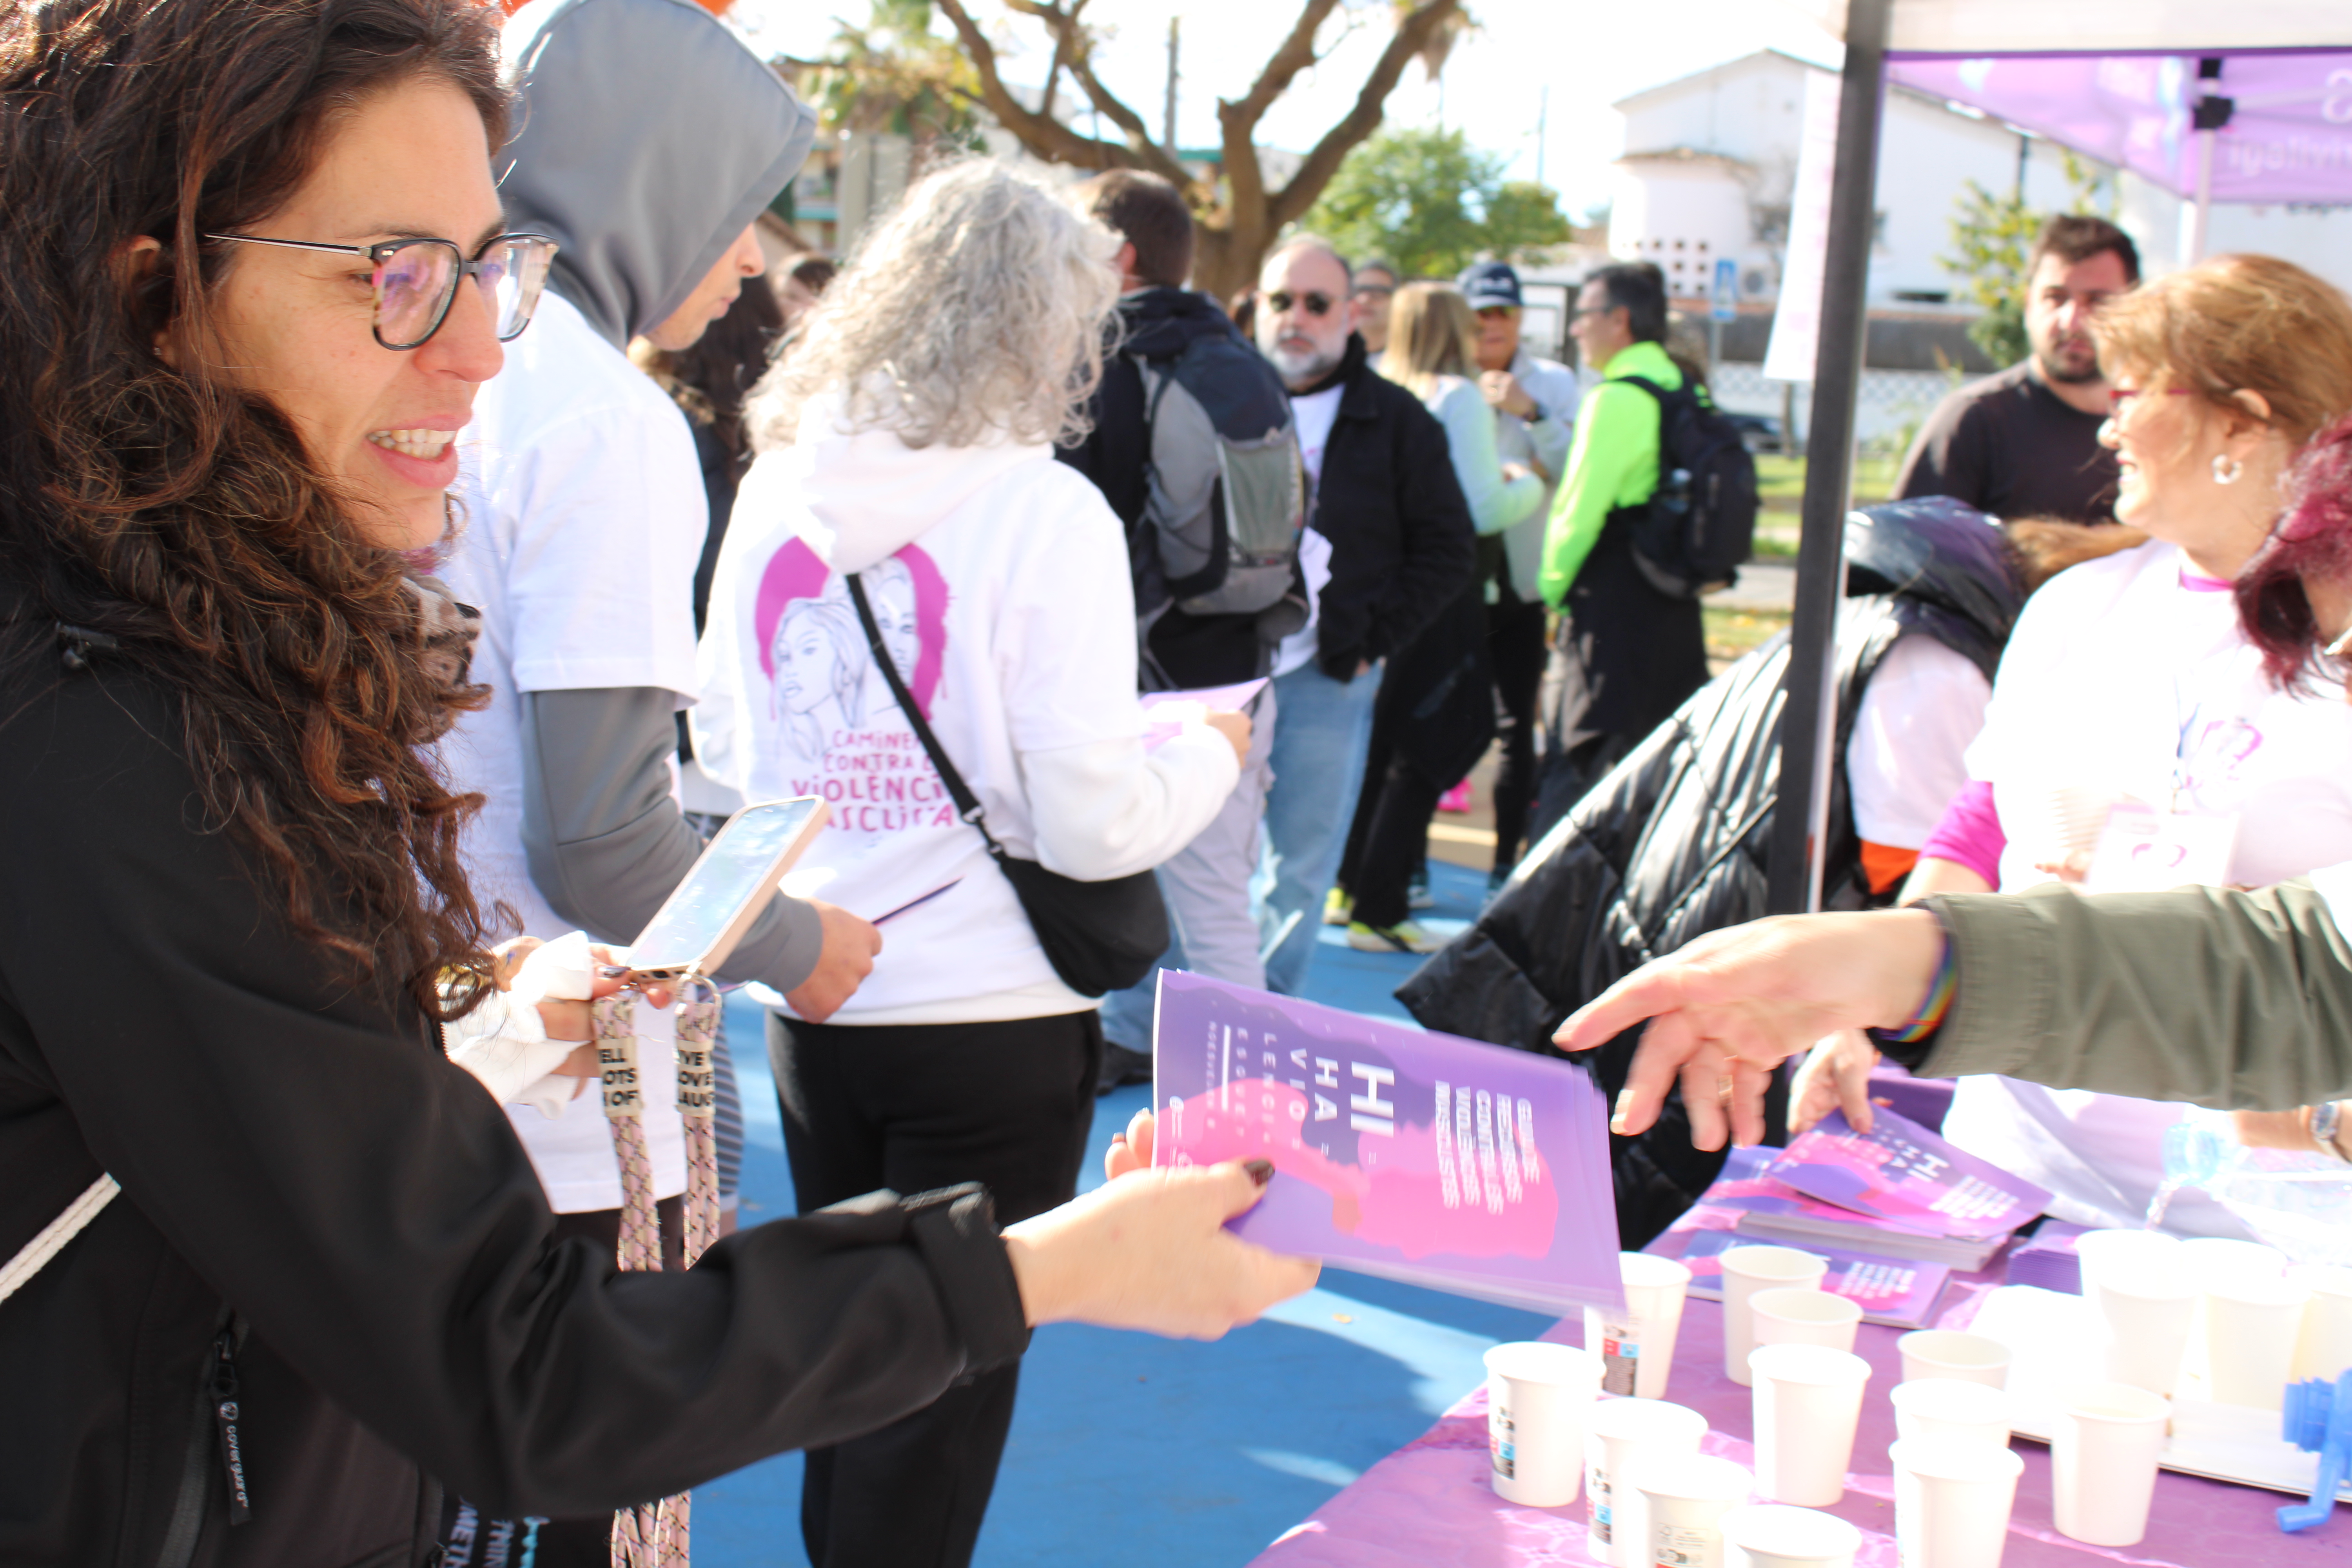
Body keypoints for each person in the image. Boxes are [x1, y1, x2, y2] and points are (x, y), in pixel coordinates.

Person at [0, 1, 1314, 1560]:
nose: (486, 348)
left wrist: (448, 1019)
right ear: (159, 292)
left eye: (494, 263)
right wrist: (1050, 1270)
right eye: (394, 275)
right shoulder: (129, 726)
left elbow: (175, 1058)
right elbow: (527, 1371)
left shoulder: (188, 640)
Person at [692, 160, 1257, 1568]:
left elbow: (715, 741)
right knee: (946, 1384)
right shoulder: (1041, 511)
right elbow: (1086, 823)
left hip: (814, 990)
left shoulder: (776, 486)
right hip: (993, 1007)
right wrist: (1208, 760)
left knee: (849, 1354)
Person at [435, 5, 891, 1452]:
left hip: (401, 1046)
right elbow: (600, 840)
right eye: (736, 206)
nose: (750, 254)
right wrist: (791, 940)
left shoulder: (434, 349)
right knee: (594, 1485)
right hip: (565, 1092)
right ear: (650, 176)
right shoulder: (597, 418)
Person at [1557, 411, 2352, 1154]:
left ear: (2245, 421)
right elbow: (2286, 970)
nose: (2336, 666)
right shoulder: (2090, 603)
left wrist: (2320, 1122)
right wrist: (1893, 967)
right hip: (2041, 1144)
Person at [1806, 254, 2352, 1240]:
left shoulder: (2339, 635)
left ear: (2241, 420)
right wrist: (1879, 999)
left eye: (2133, 395)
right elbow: (1979, 827)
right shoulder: (2075, 606)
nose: (2105, 427)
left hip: (2263, 1232)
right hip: (2014, 1179)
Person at [1402, 497, 2026, 1244]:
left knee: (1621, 1147)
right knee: (1667, 1175)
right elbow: (1908, 855)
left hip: (1689, 905)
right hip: (1739, 933)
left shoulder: (1865, 623)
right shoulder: (1935, 661)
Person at [1054, 170, 1296, 1089]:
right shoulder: (1235, 356)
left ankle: (1265, 1100)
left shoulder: (1110, 363)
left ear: (1117, 256)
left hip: (1147, 671)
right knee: (1211, 894)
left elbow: (1083, 525)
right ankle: (1141, 1036)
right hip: (1241, 663)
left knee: (1194, 903)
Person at [1249, 238, 1477, 995]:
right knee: (1180, 853)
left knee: (1301, 866)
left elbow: (1448, 550)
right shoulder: (1219, 398)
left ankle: (1263, 1014)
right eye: (1283, 300)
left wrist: (1372, 642)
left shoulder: (1400, 420)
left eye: (1317, 303)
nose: (1297, 318)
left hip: (1327, 672)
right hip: (1213, 675)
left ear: (1351, 316)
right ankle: (1148, 1023)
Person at [1331, 282, 1542, 953]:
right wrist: (1528, 481)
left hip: (1380, 589)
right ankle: (1381, 905)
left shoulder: (1379, 388)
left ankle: (1350, 886)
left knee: (1382, 744)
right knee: (1436, 741)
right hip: (1442, 592)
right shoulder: (1457, 398)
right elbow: (1479, 511)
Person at [1532, 261, 1712, 837]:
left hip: (1612, 605)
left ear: (1620, 320)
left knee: (1575, 764)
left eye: (1584, 315)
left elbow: (1578, 514)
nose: (1577, 330)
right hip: (1672, 603)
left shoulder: (1617, 398)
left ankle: (1541, 920)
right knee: (1660, 766)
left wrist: (1552, 589)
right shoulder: (1684, 388)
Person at [1895, 214, 2138, 524]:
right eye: (2056, 298)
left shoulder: (2155, 421)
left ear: (2135, 307)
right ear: (2028, 305)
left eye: (2098, 301)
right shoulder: (1977, 420)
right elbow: (1910, 554)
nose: (2072, 322)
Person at [1461, 259, 1581, 884]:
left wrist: (1530, 413)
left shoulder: (1555, 384)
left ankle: (1506, 864)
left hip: (1526, 585)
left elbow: (1574, 471)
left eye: (1503, 312)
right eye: (1481, 312)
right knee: (1450, 724)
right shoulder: (1450, 380)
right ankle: (1399, 874)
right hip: (1460, 587)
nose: (1492, 325)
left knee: (1518, 728)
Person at [1353, 257, 1399, 363]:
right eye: (1358, 290)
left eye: (1378, 292)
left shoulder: (1412, 359)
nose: (1364, 300)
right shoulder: (1328, 356)